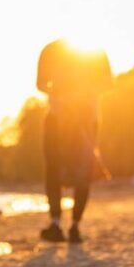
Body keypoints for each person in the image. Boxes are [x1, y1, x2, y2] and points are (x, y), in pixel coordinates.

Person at [37, 39, 112, 243]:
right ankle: (55, 223)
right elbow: (40, 83)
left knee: (84, 170)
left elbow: (107, 82)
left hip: (87, 118)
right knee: (53, 168)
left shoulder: (95, 52)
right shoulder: (50, 50)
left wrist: (82, 97)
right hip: (57, 117)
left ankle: (75, 226)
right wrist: (58, 96)